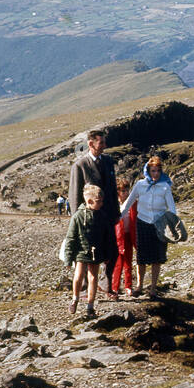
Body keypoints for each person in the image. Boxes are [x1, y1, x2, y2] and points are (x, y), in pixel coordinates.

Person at [121, 154, 181, 296]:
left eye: (158, 171)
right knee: (141, 257)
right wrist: (117, 218)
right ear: (147, 170)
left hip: (159, 225)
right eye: (153, 171)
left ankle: (153, 288)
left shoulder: (165, 186)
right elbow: (127, 203)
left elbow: (171, 208)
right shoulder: (140, 185)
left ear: (161, 171)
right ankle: (139, 286)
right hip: (142, 223)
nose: (155, 174)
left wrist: (174, 226)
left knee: (157, 257)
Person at [69, 128, 119, 291]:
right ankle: (84, 285)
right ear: (91, 144)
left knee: (112, 251)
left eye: (104, 142)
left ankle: (106, 284)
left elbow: (112, 190)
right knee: (88, 253)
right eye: (101, 142)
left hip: (108, 216)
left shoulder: (108, 161)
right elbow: (75, 195)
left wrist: (116, 213)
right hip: (89, 220)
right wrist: (78, 219)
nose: (105, 145)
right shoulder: (80, 165)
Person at [61, 185, 105, 318]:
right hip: (81, 251)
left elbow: (106, 235)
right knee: (78, 275)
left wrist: (107, 253)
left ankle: (90, 306)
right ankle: (75, 299)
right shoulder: (78, 216)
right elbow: (70, 238)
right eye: (99, 201)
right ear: (90, 201)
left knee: (93, 277)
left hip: (96, 251)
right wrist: (68, 258)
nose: (102, 203)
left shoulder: (101, 216)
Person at [111, 177, 138, 299]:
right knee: (117, 264)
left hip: (128, 236)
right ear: (118, 192)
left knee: (128, 262)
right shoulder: (114, 204)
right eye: (123, 191)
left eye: (127, 190)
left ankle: (128, 286)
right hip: (117, 237)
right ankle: (114, 288)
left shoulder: (133, 203)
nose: (126, 193)